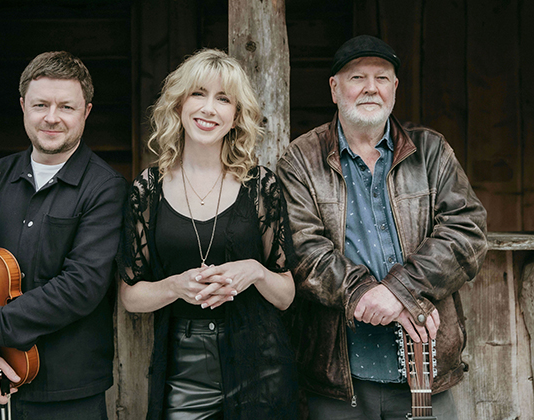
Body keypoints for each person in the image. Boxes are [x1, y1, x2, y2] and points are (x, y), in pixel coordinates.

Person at [276, 35, 488, 419]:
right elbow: (302, 247)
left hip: (426, 369)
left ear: (394, 88)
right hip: (339, 376)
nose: (370, 87)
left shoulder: (431, 150)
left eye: (382, 77)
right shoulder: (299, 160)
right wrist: (361, 292)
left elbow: (467, 230)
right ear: (334, 88)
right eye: (357, 77)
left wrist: (399, 292)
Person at [0, 51, 127, 419]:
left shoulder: (105, 187)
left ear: (86, 111)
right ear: (23, 106)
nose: (52, 117)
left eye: (66, 107)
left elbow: (82, 286)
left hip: (69, 392)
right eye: (41, 104)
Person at [117, 48, 298, 420]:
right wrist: (175, 287)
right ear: (179, 104)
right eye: (198, 94)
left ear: (236, 117)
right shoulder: (147, 190)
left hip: (260, 360)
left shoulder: (260, 187)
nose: (209, 108)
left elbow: (285, 296)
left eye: (223, 99)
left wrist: (256, 271)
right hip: (185, 364)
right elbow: (130, 297)